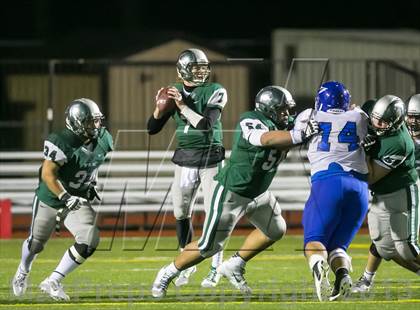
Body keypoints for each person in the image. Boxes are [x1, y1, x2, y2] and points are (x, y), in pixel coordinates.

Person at [151, 85, 319, 298]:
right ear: (267, 109)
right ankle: (167, 273)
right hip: (232, 193)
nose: (286, 115)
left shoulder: (283, 124)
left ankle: (235, 265)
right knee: (208, 246)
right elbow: (266, 139)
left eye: (288, 110)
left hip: (258, 193)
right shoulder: (250, 120)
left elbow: (302, 125)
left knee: (276, 229)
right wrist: (298, 135)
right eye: (282, 110)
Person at [12, 98, 113, 301]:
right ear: (77, 122)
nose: (96, 125)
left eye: (97, 120)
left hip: (78, 197)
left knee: (89, 239)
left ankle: (53, 281)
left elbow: (93, 164)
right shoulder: (61, 140)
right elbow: (48, 174)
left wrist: (91, 183)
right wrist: (64, 196)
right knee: (36, 244)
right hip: (52, 197)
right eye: (90, 121)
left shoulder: (104, 138)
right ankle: (23, 270)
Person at [147, 48, 227, 288]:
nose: (202, 72)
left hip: (210, 157)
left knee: (216, 214)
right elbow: (152, 128)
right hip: (185, 159)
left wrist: (181, 106)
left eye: (204, 67)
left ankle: (215, 268)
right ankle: (186, 262)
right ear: (183, 69)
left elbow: (206, 125)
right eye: (196, 68)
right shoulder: (172, 90)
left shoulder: (216, 90)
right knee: (181, 212)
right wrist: (160, 109)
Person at [296, 81, 370, 301]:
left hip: (327, 182)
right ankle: (343, 276)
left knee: (313, 241)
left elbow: (295, 135)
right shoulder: (360, 117)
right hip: (359, 188)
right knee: (338, 245)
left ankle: (318, 266)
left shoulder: (309, 115)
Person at [352, 95, 420, 293]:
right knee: (383, 246)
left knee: (406, 247)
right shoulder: (377, 115)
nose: (377, 124)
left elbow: (371, 176)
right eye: (375, 118)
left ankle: (365, 280)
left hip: (402, 192)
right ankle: (366, 280)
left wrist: (363, 150)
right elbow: (362, 112)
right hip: (382, 193)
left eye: (382, 122)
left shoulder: (399, 142)